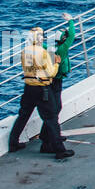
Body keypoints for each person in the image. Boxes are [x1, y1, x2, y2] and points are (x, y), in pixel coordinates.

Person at [6, 27, 72, 160]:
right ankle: (59, 150)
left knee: (23, 116)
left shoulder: (25, 51)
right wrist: (57, 64)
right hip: (42, 89)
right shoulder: (42, 52)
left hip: (28, 88)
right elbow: (51, 72)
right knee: (51, 118)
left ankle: (13, 143)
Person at [52, 13, 75, 142]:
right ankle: (52, 134)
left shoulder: (51, 47)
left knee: (54, 107)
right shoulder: (62, 49)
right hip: (56, 79)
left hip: (51, 79)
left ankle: (50, 133)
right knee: (56, 108)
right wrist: (71, 21)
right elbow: (72, 35)